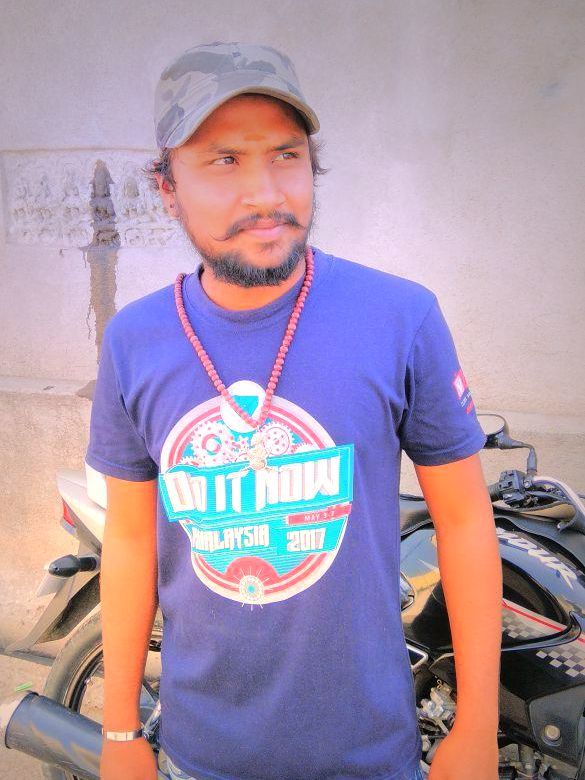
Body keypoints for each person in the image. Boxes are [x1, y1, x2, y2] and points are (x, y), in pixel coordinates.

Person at [86, 41, 502, 780]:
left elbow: (466, 522)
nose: (265, 193)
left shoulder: (398, 317)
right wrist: (119, 732)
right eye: (223, 161)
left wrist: (475, 726)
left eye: (286, 155)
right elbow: (129, 540)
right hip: (199, 755)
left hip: (368, 755)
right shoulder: (134, 340)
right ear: (167, 187)